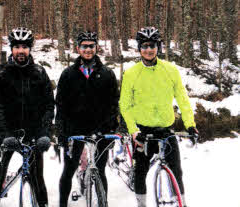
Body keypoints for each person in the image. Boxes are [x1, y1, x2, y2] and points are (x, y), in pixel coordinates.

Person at [119, 27, 199, 207]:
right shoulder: (131, 73)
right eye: (145, 46)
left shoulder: (170, 70)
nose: (149, 50)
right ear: (139, 48)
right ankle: (142, 204)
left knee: (177, 171)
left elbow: (182, 99)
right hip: (142, 132)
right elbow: (125, 105)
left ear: (158, 47)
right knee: (140, 172)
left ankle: (182, 203)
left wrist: (190, 125)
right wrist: (133, 130)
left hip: (165, 129)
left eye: (152, 45)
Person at [0, 27, 55, 207]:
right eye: (17, 47)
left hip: (33, 134)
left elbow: (48, 105)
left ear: (30, 49)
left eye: (24, 47)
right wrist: (5, 133)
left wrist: (44, 133)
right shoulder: (0, 73)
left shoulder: (40, 73)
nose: (20, 51)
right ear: (11, 49)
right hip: (6, 133)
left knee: (38, 180)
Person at [55, 31, 120, 207]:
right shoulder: (68, 74)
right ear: (78, 48)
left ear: (96, 47)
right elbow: (60, 105)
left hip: (100, 130)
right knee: (68, 171)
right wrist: (61, 131)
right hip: (74, 131)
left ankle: (102, 203)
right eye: (84, 46)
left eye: (91, 46)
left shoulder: (107, 74)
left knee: (100, 171)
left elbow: (114, 103)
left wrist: (112, 129)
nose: (88, 49)